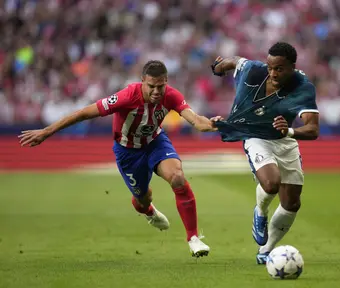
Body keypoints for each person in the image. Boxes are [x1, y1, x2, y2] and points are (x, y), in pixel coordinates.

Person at [19, 60, 217, 258]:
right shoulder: (127, 96)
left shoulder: (172, 96)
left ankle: (193, 239)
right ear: (142, 82)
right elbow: (83, 113)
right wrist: (46, 131)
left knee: (177, 177)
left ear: (166, 82)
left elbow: (196, 121)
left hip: (155, 142)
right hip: (128, 153)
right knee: (142, 198)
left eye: (161, 86)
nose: (157, 91)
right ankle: (148, 211)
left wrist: (216, 124)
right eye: (152, 86)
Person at [210, 42, 320, 264]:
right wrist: (219, 67)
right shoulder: (254, 70)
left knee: (292, 203)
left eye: (279, 68)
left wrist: (289, 130)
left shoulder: (303, 87)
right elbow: (236, 61)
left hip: (284, 139)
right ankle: (260, 211)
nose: (272, 73)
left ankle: (266, 249)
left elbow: (312, 129)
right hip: (254, 135)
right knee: (271, 184)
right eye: (270, 67)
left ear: (292, 67)